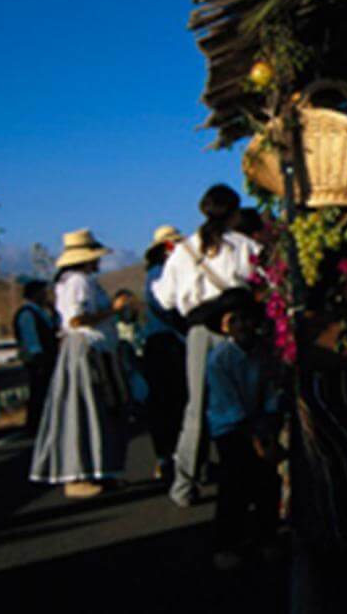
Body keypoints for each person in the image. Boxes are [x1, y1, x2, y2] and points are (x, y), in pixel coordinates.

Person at [152, 184, 261, 507]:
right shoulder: (244, 246)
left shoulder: (183, 252)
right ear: (235, 212)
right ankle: (248, 478)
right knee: (247, 402)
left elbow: (165, 298)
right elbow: (261, 282)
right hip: (238, 331)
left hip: (200, 332)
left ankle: (184, 485)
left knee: (197, 409)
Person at [29, 229, 129, 498]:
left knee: (97, 411)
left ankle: (99, 470)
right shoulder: (77, 282)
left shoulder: (79, 281)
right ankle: (77, 474)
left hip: (93, 349)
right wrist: (114, 310)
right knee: (82, 411)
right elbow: (76, 320)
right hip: (84, 349)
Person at [201, 287, 283, 571]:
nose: (242, 326)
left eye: (246, 319)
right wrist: (256, 436)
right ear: (225, 327)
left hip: (260, 420)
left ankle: (267, 538)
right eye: (234, 320)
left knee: (266, 483)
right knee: (235, 486)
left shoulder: (264, 352)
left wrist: (269, 427)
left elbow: (272, 389)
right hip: (231, 427)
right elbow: (229, 403)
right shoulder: (219, 360)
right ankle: (225, 544)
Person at [140, 225, 188, 482]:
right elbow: (164, 307)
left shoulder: (167, 272)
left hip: (171, 341)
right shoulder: (158, 274)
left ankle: (178, 456)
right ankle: (167, 457)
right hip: (164, 343)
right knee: (167, 402)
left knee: (177, 402)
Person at [12, 279, 59, 432]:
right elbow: (31, 338)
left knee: (45, 392)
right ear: (35, 294)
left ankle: (45, 423)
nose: (46, 295)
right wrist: (38, 357)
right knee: (39, 392)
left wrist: (54, 311)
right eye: (43, 292)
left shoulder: (41, 313)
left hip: (47, 358)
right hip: (38, 360)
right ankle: (35, 425)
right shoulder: (27, 314)